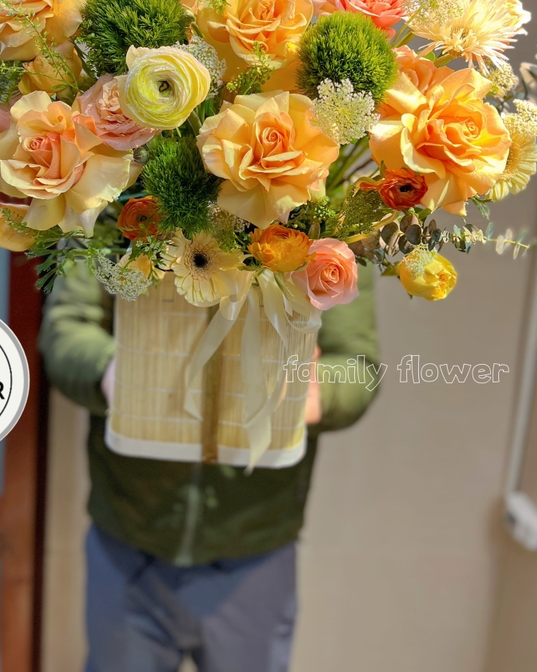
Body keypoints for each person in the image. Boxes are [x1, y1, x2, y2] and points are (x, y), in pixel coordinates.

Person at [40, 261, 380, 672]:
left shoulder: (330, 240)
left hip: (254, 543)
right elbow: (67, 326)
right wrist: (115, 372)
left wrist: (312, 393)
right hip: (129, 532)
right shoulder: (102, 220)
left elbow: (357, 364)